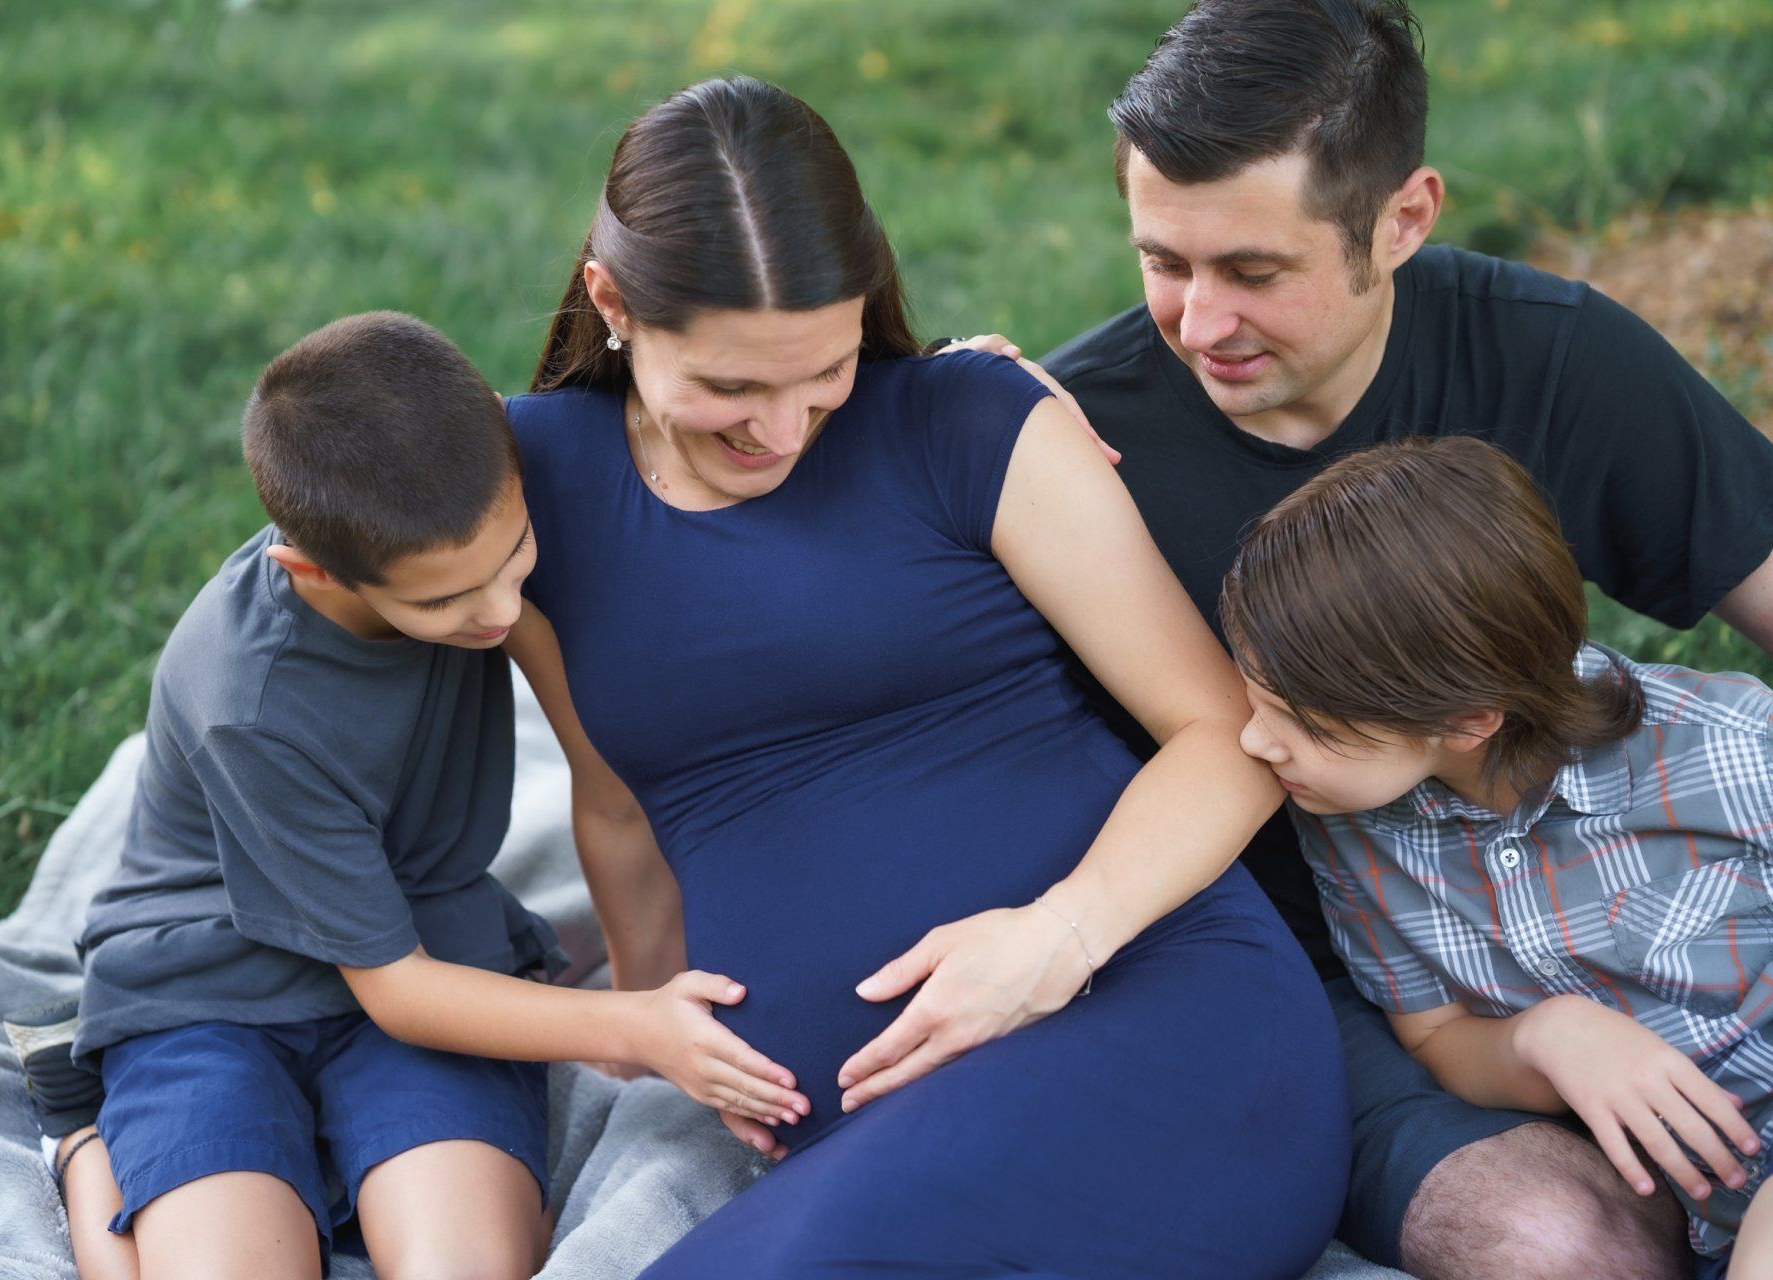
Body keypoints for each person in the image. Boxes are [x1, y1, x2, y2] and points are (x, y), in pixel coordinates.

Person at [502, 76, 1348, 1278]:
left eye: (825, 370)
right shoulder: (532, 484)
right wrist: (653, 1023)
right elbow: (617, 797)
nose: (785, 428)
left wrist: (1055, 937)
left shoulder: (965, 423)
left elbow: (1226, 736)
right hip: (878, 1132)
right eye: (731, 387)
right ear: (613, 302)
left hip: (1149, 1013)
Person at [1039, 1, 1773, 1272]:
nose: (1199, 321)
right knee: (1557, 1239)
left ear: (1405, 218)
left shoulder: (1552, 359)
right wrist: (941, 422)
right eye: (1163, 261)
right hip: (1298, 966)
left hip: (1585, 915)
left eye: (1255, 272)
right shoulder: (1061, 443)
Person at [18, 312, 813, 1280]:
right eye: (441, 603)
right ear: (307, 568)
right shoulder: (248, 698)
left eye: (513, 560)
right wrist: (626, 1023)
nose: (499, 612)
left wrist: (653, 996)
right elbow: (394, 990)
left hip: (434, 942)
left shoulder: (488, 526)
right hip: (212, 988)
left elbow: (609, 784)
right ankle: (82, 1133)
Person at [1218, 436, 1773, 1279]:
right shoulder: (1349, 820)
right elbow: (1437, 1036)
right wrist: (1548, 1037)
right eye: (1257, 700)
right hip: (1686, 1214)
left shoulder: (1736, 754)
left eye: (1306, 723)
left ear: (1473, 719)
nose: (1258, 742)